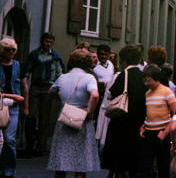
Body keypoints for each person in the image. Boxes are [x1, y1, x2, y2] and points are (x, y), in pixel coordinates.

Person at [47, 49, 100, 177]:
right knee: (81, 161)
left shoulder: (62, 77)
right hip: (81, 119)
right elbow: (95, 95)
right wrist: (90, 112)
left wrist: (62, 101)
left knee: (61, 158)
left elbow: (51, 92)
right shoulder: (88, 78)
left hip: (65, 117)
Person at [102, 45, 147, 178]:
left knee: (120, 162)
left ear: (124, 60)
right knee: (132, 161)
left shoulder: (123, 75)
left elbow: (111, 94)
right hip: (138, 122)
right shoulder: (143, 75)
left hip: (122, 121)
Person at [23, 32, 65, 156]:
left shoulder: (56, 56)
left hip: (48, 88)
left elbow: (60, 73)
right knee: (31, 116)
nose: (48, 44)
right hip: (36, 87)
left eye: (51, 42)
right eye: (47, 41)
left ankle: (41, 146)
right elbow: (27, 72)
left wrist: (58, 89)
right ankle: (29, 145)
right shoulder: (35, 55)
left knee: (45, 118)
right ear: (42, 42)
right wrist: (26, 85)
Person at [138, 64, 176, 178]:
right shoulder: (147, 93)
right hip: (149, 132)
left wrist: (165, 133)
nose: (146, 83)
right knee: (144, 166)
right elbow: (150, 113)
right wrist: (143, 126)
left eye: (149, 80)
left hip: (162, 133)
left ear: (157, 78)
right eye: (144, 81)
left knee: (163, 166)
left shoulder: (167, 92)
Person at [0, 37, 26, 177]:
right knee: (0, 140)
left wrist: (26, 107)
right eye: (7, 50)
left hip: (14, 106)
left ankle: (9, 170)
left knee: (9, 139)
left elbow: (24, 87)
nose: (10, 52)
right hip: (0, 104)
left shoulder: (18, 65)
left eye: (13, 50)